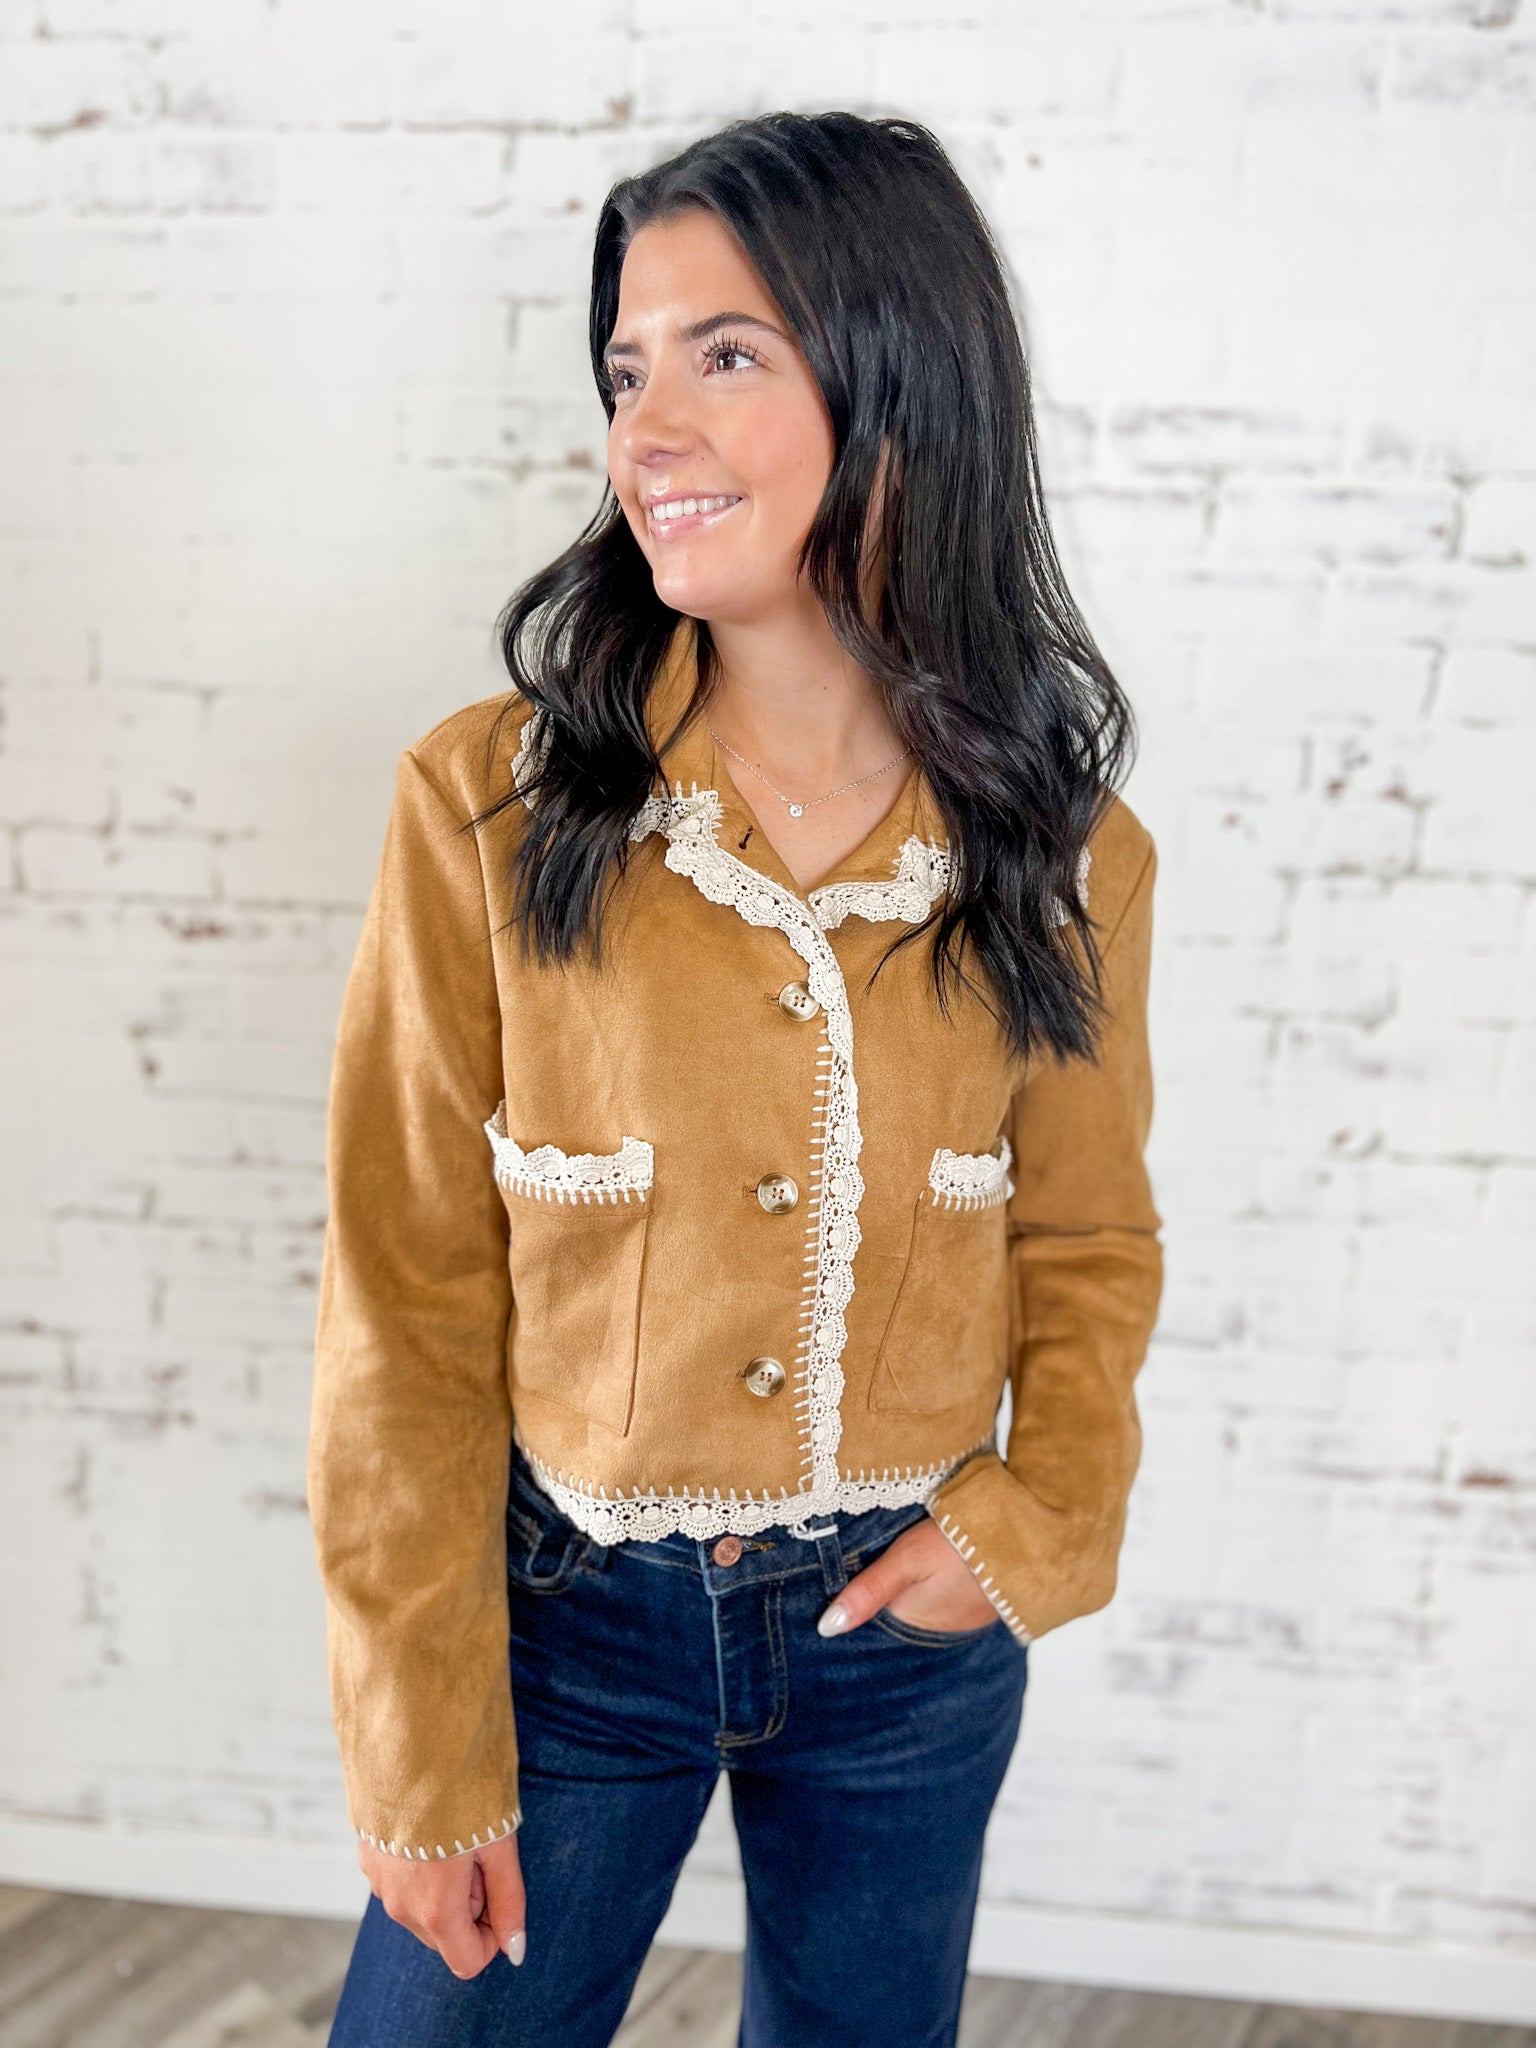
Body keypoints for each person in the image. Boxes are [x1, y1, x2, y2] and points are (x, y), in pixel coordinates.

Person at [309, 108, 1163, 2048]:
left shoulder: (1065, 854)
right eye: (628, 372)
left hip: (905, 1637)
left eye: (724, 355)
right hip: (564, 1633)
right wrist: (418, 1741)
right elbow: (403, 1302)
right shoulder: (487, 806)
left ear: (901, 383)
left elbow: (1089, 1236)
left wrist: (1034, 1524)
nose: (649, 431)